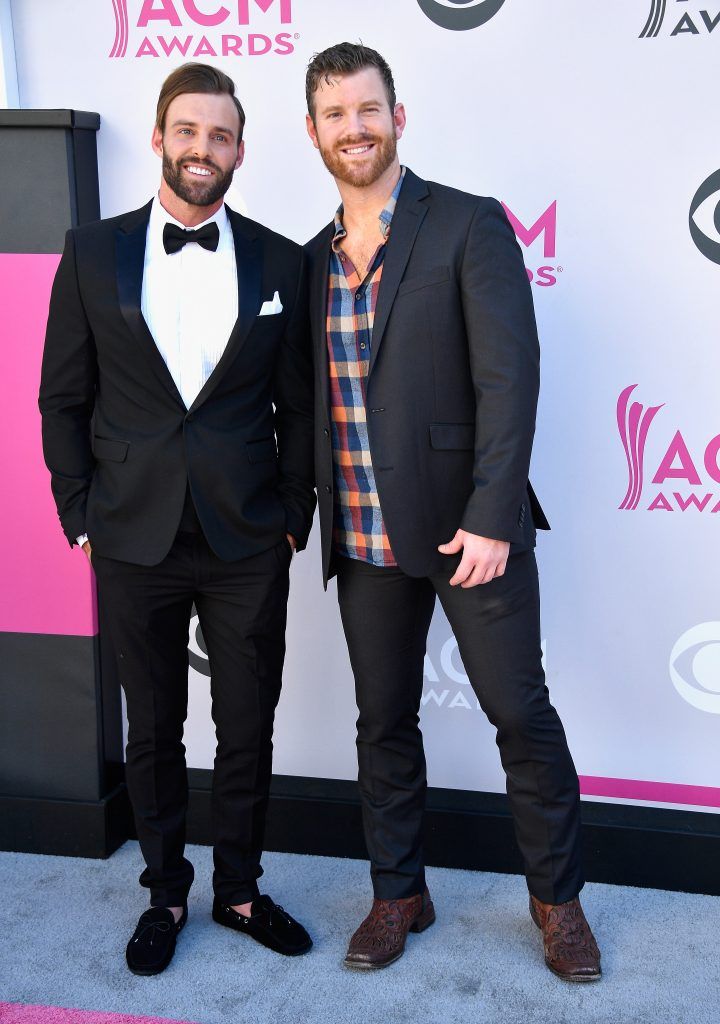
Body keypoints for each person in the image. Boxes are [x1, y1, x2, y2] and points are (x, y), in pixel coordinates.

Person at [303, 42, 600, 981]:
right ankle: (400, 893)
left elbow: (511, 380)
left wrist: (494, 514)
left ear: (400, 116)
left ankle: (558, 903)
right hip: (361, 533)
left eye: (367, 109)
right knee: (382, 720)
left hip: (469, 528)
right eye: (335, 114)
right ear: (312, 131)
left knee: (521, 714)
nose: (354, 128)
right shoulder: (309, 261)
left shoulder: (468, 225)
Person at [39, 62, 315, 975]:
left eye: (222, 135)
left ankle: (239, 888)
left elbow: (298, 407)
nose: (204, 150)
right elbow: (61, 398)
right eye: (188, 132)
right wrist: (80, 516)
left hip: (246, 537)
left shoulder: (282, 259)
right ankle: (165, 889)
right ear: (160, 137)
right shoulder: (91, 253)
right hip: (129, 534)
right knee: (152, 728)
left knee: (247, 723)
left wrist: (292, 514)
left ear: (241, 149)